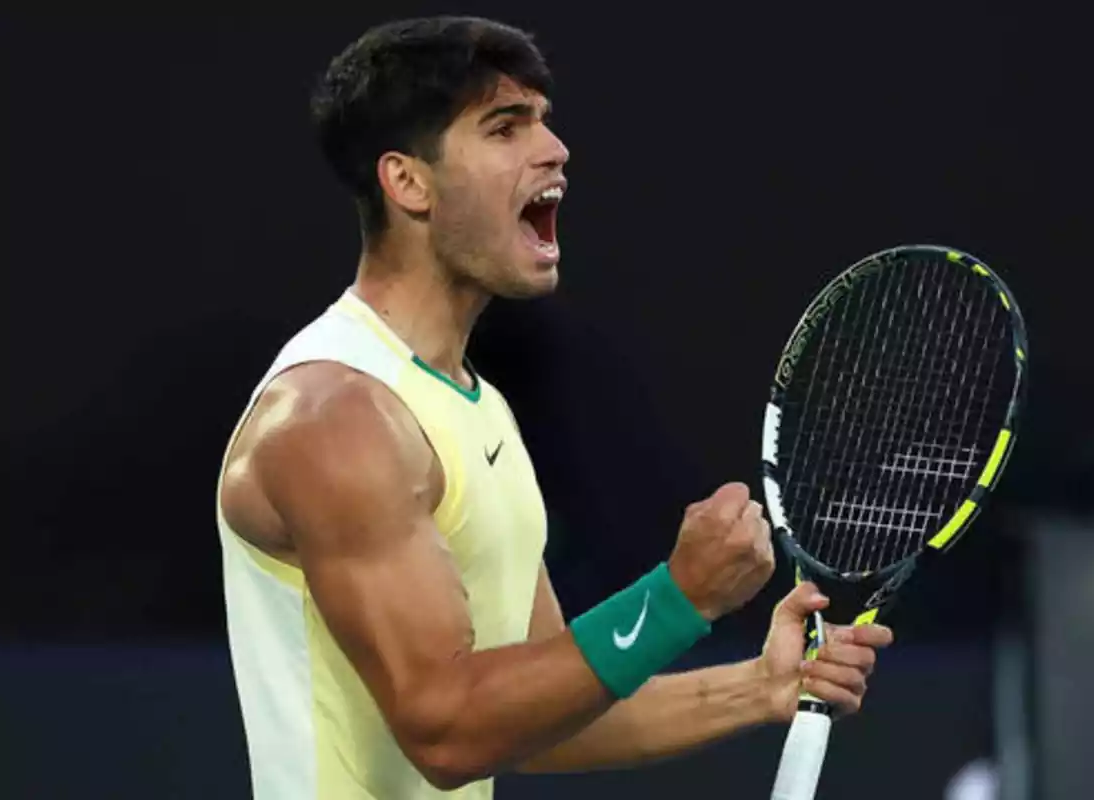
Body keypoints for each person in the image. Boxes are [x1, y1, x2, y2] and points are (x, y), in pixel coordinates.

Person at [214, 15, 893, 799]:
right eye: (505, 128)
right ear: (407, 182)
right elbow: (448, 728)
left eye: (542, 120)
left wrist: (760, 688)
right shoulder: (334, 418)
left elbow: (534, 721)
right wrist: (678, 597)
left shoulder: (475, 407)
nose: (555, 148)